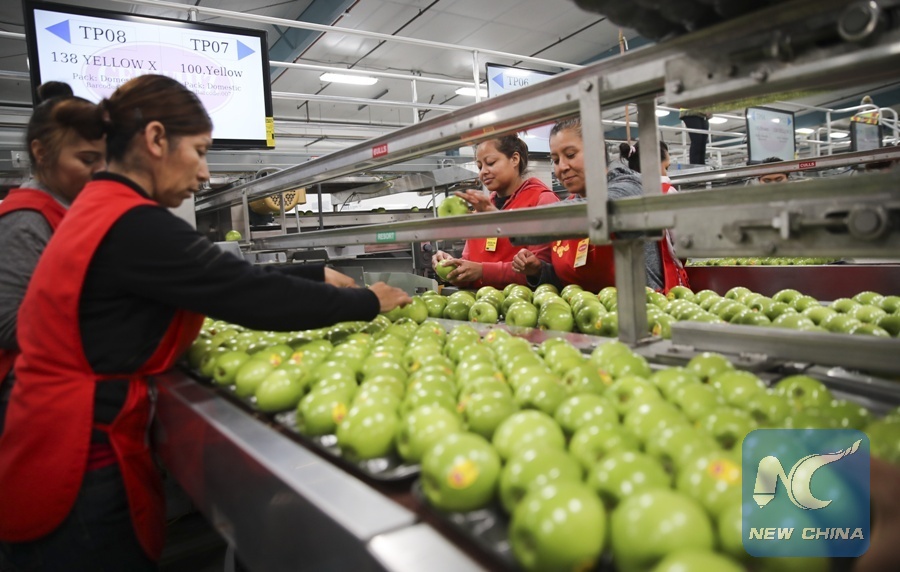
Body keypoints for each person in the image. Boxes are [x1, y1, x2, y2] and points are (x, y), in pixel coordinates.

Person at [0, 74, 409, 571]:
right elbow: (247, 295)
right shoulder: (128, 222)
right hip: (73, 457)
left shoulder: (105, 209)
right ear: (155, 139)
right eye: (198, 151)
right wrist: (367, 301)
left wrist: (312, 273)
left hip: (60, 437)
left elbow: (209, 278)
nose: (204, 174)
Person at [0, 82, 106, 435]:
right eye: (87, 160)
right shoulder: (26, 220)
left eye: (103, 160)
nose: (100, 171)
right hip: (33, 401)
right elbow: (9, 325)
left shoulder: (69, 212)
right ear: (41, 152)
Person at [512, 118, 666, 293]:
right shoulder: (572, 205)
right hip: (589, 309)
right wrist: (538, 270)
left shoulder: (629, 188)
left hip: (640, 307)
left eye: (570, 155)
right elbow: (573, 281)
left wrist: (514, 223)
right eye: (555, 160)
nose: (562, 167)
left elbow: (597, 209)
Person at [431, 135, 559, 288]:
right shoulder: (482, 209)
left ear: (514, 159)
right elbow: (469, 266)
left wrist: (483, 271)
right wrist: (453, 267)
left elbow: (541, 273)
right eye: (480, 167)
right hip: (479, 301)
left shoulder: (541, 200)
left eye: (490, 163)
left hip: (523, 301)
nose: (483, 172)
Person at [620, 140, 690, 290]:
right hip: (664, 281)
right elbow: (683, 242)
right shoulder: (666, 192)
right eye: (666, 167)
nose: (666, 173)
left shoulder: (621, 193)